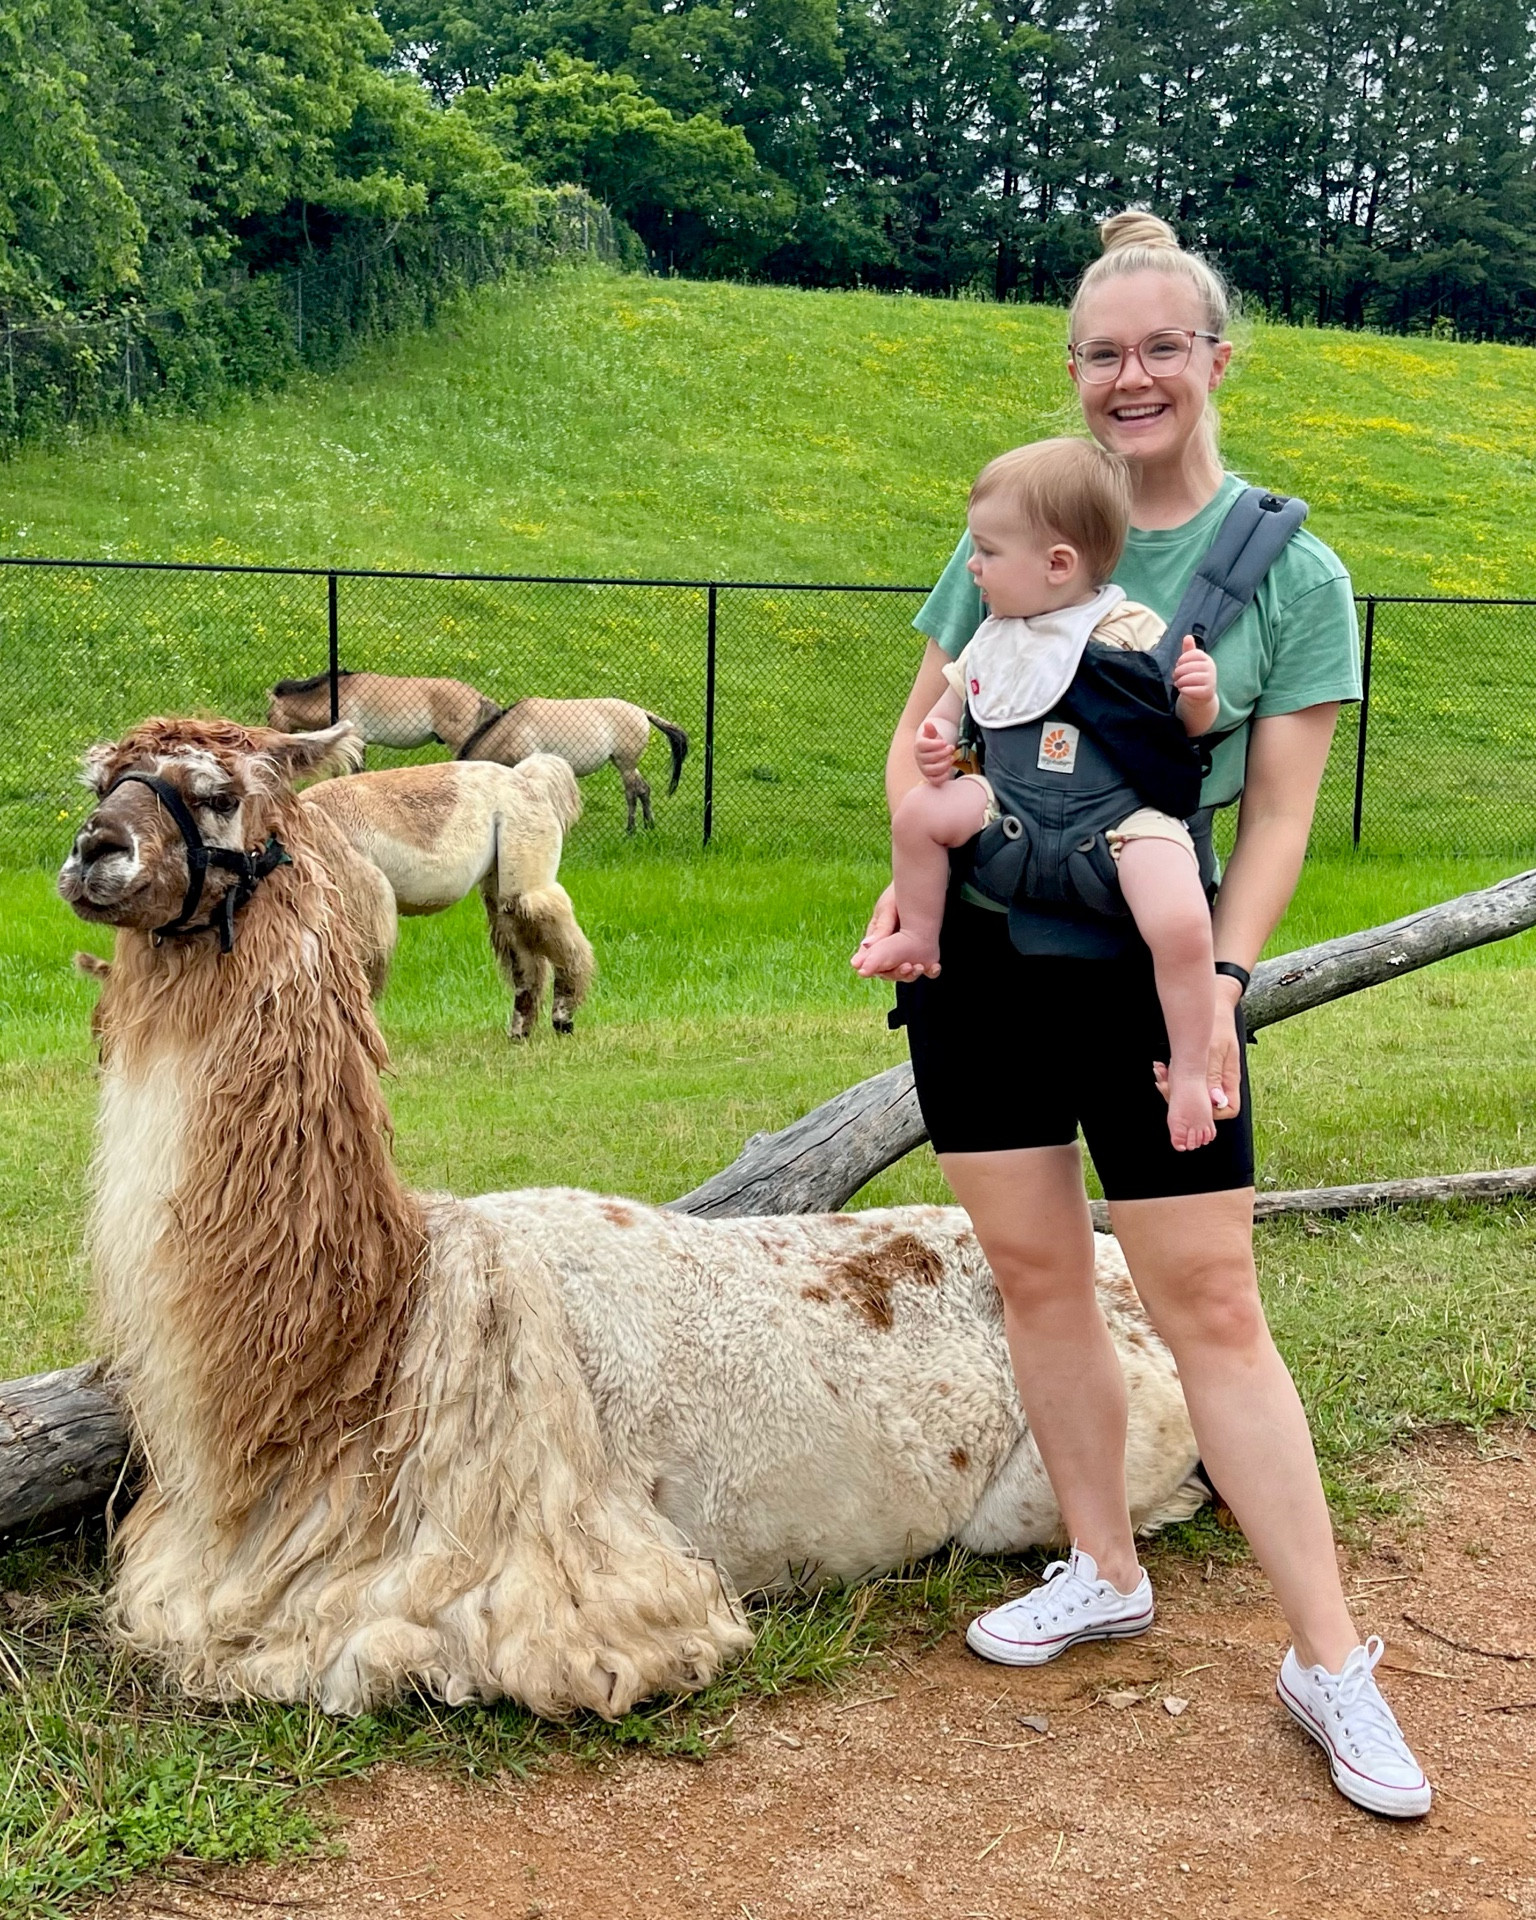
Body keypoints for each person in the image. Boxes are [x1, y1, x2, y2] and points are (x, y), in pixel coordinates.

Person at [856, 210, 1432, 1819]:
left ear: (1215, 360)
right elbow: (922, 743)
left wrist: (1222, 985)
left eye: (1161, 348)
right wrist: (910, 888)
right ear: (1075, 373)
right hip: (982, 971)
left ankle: (1329, 1659)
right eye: (1103, 354)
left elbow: (1280, 821)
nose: (1131, 379)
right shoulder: (1019, 527)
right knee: (1038, 1273)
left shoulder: (1288, 573)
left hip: (1155, 982)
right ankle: (1102, 1564)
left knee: (1214, 1308)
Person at [852, 436, 1224, 1152]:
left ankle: (1184, 1065)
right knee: (920, 812)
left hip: (1120, 819)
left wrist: (1199, 698)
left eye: (988, 552)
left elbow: (1182, 729)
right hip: (1010, 808)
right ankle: (922, 935)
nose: (972, 566)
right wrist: (937, 745)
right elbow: (948, 710)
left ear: (1058, 563)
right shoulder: (994, 638)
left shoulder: (1129, 628)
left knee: (1180, 915)